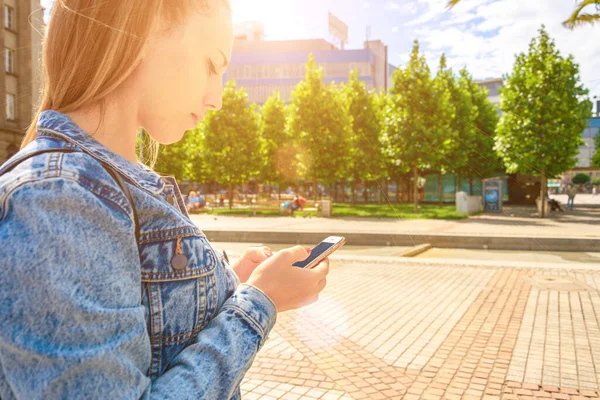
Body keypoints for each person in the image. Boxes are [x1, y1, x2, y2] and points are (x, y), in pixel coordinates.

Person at [0, 1, 329, 399]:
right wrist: (260, 302)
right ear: (146, 27)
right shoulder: (59, 197)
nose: (217, 98)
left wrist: (228, 286)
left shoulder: (106, 186)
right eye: (212, 64)